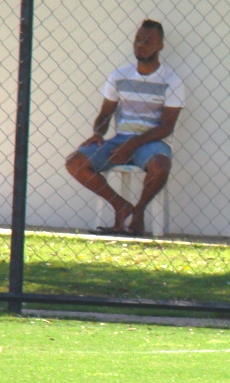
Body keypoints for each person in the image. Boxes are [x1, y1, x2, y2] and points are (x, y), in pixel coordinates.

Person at [65, 19, 184, 236]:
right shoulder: (119, 77)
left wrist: (134, 143)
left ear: (160, 46)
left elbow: (167, 126)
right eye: (138, 40)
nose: (141, 45)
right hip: (120, 140)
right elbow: (104, 114)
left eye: (148, 41)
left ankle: (137, 213)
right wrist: (98, 133)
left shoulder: (171, 81)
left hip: (151, 143)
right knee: (75, 162)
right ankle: (120, 205)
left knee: (161, 166)